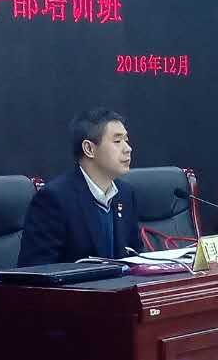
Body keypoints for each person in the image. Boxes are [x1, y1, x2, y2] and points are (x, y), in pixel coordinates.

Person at [18, 108, 142, 265]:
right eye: (117, 141)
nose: (128, 148)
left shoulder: (125, 194)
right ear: (89, 149)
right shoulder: (54, 199)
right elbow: (36, 270)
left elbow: (135, 255)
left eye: (126, 140)